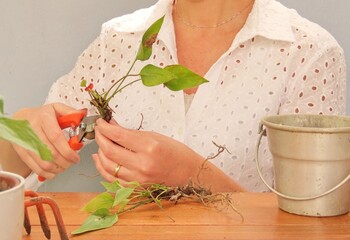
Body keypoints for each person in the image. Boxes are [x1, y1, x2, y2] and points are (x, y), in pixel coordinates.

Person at [0, 0, 346, 192]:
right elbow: (31, 155)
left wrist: (193, 176)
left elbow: (310, 224)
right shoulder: (120, 40)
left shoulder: (306, 51)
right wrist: (18, 131)